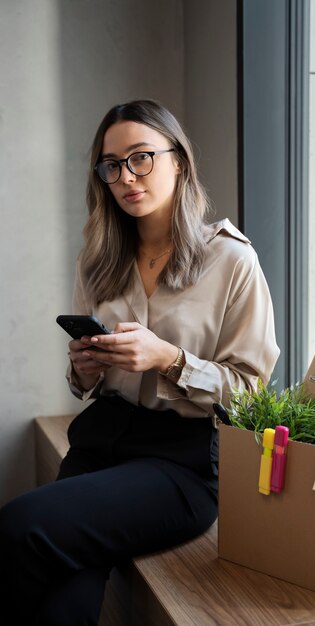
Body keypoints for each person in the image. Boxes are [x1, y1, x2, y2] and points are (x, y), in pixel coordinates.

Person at [0, 99, 279, 625]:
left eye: (141, 157)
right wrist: (83, 368)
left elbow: (254, 396)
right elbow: (85, 384)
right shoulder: (99, 258)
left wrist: (169, 359)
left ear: (179, 161)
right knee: (63, 606)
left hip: (181, 463)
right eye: (111, 165)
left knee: (19, 526)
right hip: (99, 443)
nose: (126, 176)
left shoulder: (233, 262)